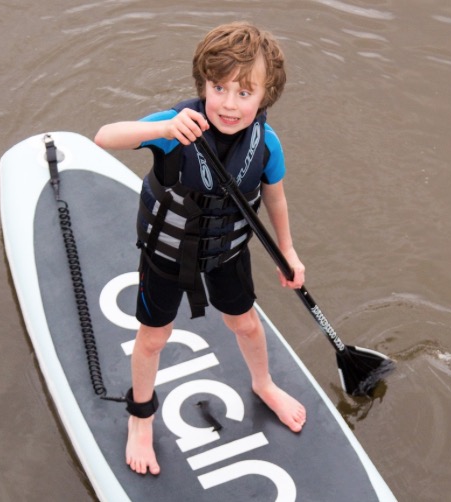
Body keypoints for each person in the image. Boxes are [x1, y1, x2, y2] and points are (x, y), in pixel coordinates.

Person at [94, 21, 307, 476]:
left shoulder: (266, 144)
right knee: (153, 338)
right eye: (218, 87)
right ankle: (140, 417)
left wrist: (287, 251)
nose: (229, 104)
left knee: (246, 324)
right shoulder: (177, 126)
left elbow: (275, 196)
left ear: (266, 95)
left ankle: (264, 383)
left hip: (227, 253)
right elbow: (104, 136)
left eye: (244, 92)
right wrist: (166, 127)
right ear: (203, 84)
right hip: (166, 255)